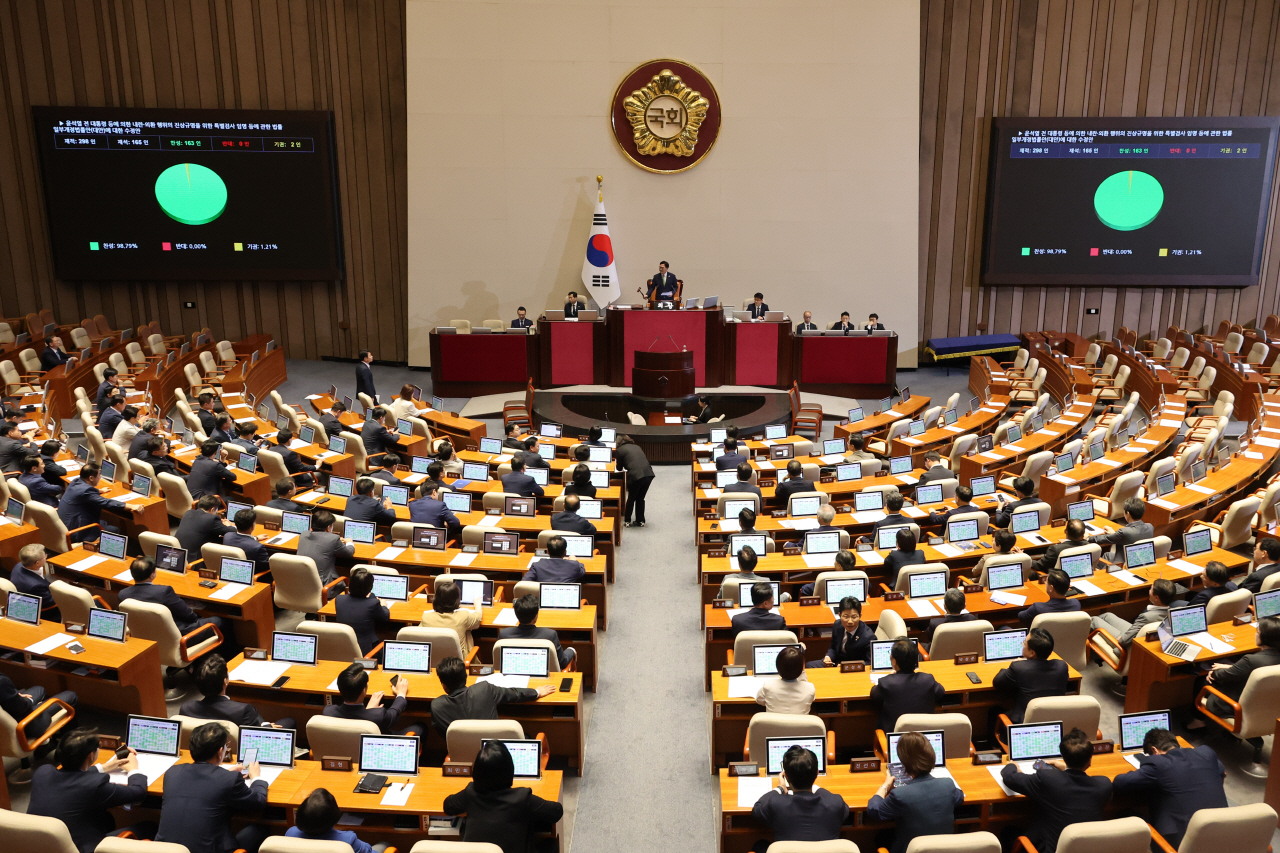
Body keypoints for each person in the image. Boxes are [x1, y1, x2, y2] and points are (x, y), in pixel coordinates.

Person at [28, 728, 152, 853]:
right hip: (82, 849)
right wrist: (133, 769)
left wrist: (105, 767)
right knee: (148, 827)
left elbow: (72, 777)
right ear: (91, 755)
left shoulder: (43, 772)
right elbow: (138, 793)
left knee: (107, 818)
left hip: (43, 846)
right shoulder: (94, 786)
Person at [155, 722, 270, 853]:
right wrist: (256, 777)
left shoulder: (172, 772)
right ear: (220, 751)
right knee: (259, 830)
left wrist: (224, 774)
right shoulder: (229, 779)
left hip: (166, 849)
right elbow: (258, 801)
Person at [999, 727, 1113, 853]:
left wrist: (1011, 765)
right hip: (1086, 848)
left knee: (1007, 832)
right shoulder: (1103, 785)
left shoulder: (1047, 779)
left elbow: (1009, 778)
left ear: (1063, 756)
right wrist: (1066, 768)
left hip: (1050, 849)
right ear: (1089, 762)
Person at [443, 740, 564, 853]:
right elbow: (556, 811)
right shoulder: (522, 798)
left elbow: (448, 806)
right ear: (510, 770)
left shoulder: (470, 793)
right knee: (551, 844)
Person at [1114, 728, 1228, 846]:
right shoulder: (1206, 753)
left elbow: (1120, 783)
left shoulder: (1158, 764)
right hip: (1222, 833)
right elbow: (1221, 773)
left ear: (1154, 750)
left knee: (1125, 814)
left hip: (1179, 842)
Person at [865, 731, 963, 853]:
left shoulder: (900, 795)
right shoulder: (948, 785)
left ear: (904, 764)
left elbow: (874, 810)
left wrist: (885, 786)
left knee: (881, 837)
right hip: (944, 849)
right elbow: (959, 797)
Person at [751, 745, 848, 851]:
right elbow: (842, 809)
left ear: (786, 776)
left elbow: (757, 808)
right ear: (817, 773)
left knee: (760, 845)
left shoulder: (777, 804)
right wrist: (816, 788)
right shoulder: (836, 803)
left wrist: (780, 788)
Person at [430, 656, 555, 738]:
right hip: (495, 751)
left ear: (443, 685)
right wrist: (536, 692)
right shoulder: (483, 689)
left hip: (462, 754)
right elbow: (513, 694)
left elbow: (446, 737)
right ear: (466, 677)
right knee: (526, 736)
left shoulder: (436, 706)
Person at [119, 556, 230, 645]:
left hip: (149, 637)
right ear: (152, 574)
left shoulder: (123, 595)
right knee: (220, 620)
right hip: (180, 635)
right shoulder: (164, 592)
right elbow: (189, 616)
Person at [1198, 615, 1280, 722]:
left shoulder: (1250, 660)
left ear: (1264, 638)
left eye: (1258, 632)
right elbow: (1257, 669)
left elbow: (1222, 675)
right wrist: (1233, 667)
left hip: (1234, 707)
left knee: (1201, 680)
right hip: (1267, 706)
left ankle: (1198, 723)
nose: (1255, 634)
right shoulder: (1270, 657)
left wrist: (1214, 672)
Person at [180, 654, 295, 730]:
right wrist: (268, 727)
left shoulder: (186, 708)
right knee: (290, 721)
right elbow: (259, 736)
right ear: (225, 681)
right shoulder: (243, 710)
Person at [322, 662, 423, 741]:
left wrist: (368, 710)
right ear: (364, 690)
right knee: (420, 727)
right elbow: (394, 712)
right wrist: (401, 694)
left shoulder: (328, 712)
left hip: (344, 750)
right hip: (378, 746)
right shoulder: (377, 715)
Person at [992, 626, 1070, 725]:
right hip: (1053, 721)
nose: (1023, 645)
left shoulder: (1019, 667)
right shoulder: (1062, 666)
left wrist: (1013, 665)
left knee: (994, 711)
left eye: (1024, 643)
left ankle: (996, 740)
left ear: (1032, 653)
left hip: (1024, 724)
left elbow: (997, 682)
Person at [869, 639, 944, 731]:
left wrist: (891, 677)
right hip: (924, 736)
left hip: (895, 738)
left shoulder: (886, 683)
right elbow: (941, 692)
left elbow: (874, 695)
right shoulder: (927, 679)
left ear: (894, 661)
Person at [1091, 578, 1183, 648]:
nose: (1149, 591)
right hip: (1134, 635)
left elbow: (1123, 641)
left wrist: (1121, 638)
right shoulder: (1173, 613)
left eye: (1151, 589)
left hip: (1124, 647)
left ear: (1156, 598)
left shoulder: (1146, 617)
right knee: (1107, 615)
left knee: (1093, 620)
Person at [287, 788, 383, 853]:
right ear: (335, 816)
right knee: (385, 844)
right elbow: (368, 850)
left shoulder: (290, 834)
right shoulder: (347, 840)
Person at [500, 593, 577, 670]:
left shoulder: (503, 635)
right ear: (535, 616)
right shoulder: (549, 635)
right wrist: (571, 650)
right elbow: (562, 663)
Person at [0, 669, 76, 744]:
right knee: (71, 695)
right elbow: (20, 707)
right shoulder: (2, 681)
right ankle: (66, 742)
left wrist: (15, 695)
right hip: (25, 725)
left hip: (7, 719)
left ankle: (45, 744)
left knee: (39, 689)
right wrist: (28, 700)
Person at [58, 462, 127, 542]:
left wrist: (98, 490)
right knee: (114, 529)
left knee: (104, 522)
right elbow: (106, 502)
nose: (100, 477)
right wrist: (129, 506)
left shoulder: (76, 481)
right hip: (77, 532)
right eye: (99, 475)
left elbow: (84, 492)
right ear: (91, 478)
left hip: (67, 524)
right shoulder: (85, 491)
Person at [335, 567, 393, 657]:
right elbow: (385, 616)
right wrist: (383, 605)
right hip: (367, 649)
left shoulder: (339, 599)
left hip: (343, 646)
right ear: (370, 587)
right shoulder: (373, 603)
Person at [420, 579, 483, 658]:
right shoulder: (463, 616)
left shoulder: (426, 617)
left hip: (432, 660)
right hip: (457, 662)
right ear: (457, 600)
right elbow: (478, 618)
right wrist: (478, 604)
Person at [812, 596, 873, 668]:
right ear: (840, 615)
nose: (850, 621)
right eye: (846, 617)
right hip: (836, 662)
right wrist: (828, 657)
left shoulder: (868, 637)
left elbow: (869, 663)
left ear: (860, 616)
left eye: (854, 617)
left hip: (853, 669)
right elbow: (833, 647)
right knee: (809, 666)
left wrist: (846, 666)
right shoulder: (837, 625)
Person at [299, 510, 354, 589]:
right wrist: (349, 543)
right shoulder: (333, 539)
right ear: (328, 527)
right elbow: (348, 553)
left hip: (301, 583)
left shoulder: (304, 534)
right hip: (325, 586)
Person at [1088, 497, 1153, 563]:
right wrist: (1114, 534)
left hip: (1123, 563)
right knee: (1107, 555)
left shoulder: (1124, 532)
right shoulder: (1150, 527)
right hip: (1139, 560)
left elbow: (1104, 538)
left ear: (1128, 513)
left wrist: (1088, 538)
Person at [755, 646, 815, 714]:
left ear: (777, 667)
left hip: (773, 724)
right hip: (800, 724)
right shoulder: (810, 688)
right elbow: (809, 698)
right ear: (801, 669)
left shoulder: (768, 686)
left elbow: (759, 700)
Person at [616, 435, 654, 527]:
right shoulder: (637, 446)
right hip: (649, 474)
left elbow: (619, 468)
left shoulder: (620, 450)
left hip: (635, 475)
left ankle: (627, 520)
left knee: (631, 498)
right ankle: (640, 520)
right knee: (640, 498)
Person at [11, 543, 57, 616]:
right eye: (45, 556)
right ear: (37, 563)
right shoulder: (35, 586)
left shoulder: (18, 566)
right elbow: (52, 603)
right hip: (48, 614)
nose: (46, 556)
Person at [224, 508, 270, 575]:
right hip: (253, 576)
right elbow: (267, 566)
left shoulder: (227, 536)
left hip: (231, 571)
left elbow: (243, 540)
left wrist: (255, 538)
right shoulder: (257, 547)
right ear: (252, 526)